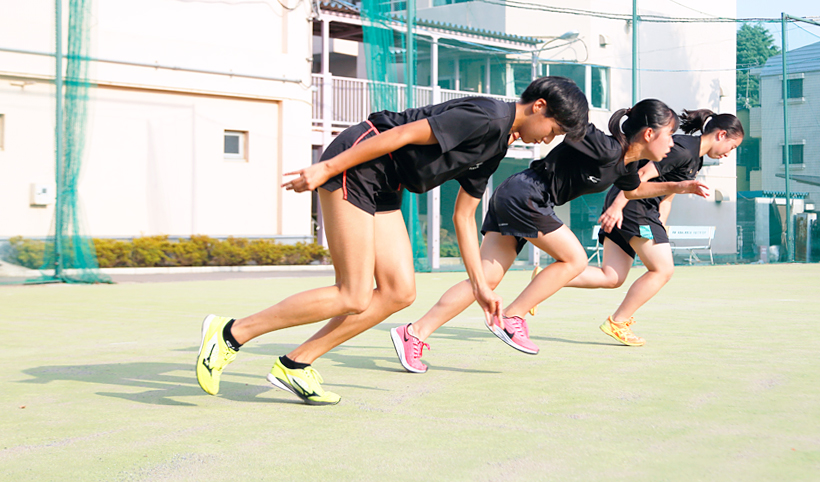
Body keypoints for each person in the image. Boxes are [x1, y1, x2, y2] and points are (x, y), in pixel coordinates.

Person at [196, 76, 590, 404]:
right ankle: (230, 333)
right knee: (353, 293)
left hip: (386, 183)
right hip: (359, 163)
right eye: (554, 130)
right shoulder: (486, 117)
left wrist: (480, 286)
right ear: (539, 106)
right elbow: (400, 135)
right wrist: (326, 167)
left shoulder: (497, 143)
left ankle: (296, 365)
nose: (549, 140)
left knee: (399, 292)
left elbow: (464, 216)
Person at [391, 99, 709, 372]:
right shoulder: (603, 145)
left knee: (484, 280)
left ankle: (414, 332)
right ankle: (512, 317)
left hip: (517, 195)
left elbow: (636, 189)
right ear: (649, 134)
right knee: (574, 259)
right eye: (669, 136)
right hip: (526, 195)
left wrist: (681, 186)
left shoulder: (626, 166)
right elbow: (573, 123)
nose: (672, 144)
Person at [564, 109, 744, 346]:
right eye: (732, 147)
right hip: (634, 207)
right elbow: (639, 175)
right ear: (721, 135)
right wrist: (618, 207)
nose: (729, 154)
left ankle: (549, 278)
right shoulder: (682, 149)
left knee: (612, 276)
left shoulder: (694, 157)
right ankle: (618, 322)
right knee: (663, 270)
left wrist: (662, 225)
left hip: (636, 208)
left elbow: (668, 195)